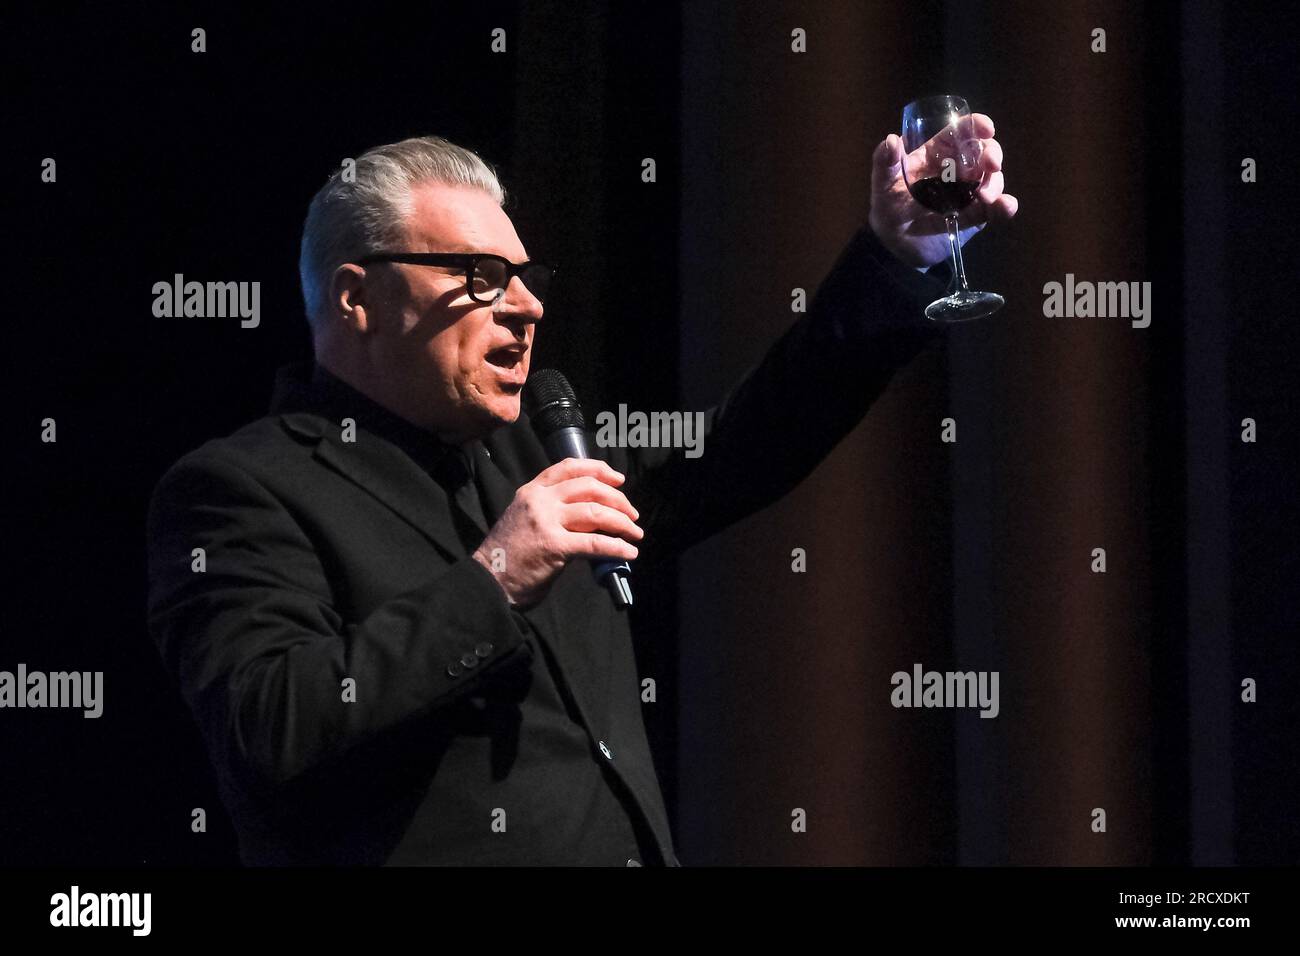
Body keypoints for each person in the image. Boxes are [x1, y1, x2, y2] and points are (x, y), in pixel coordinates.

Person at [145, 126, 1016, 866]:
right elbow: (271, 729)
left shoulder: (532, 450)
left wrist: (892, 257)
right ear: (356, 295)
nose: (526, 306)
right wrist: (493, 579)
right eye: (481, 276)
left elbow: (743, 448)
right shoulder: (241, 491)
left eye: (527, 276)